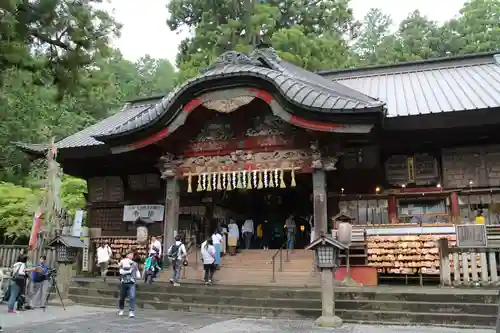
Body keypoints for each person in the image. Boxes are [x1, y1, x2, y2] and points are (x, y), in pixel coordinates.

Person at [118, 252, 139, 318]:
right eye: (130, 254)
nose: (131, 256)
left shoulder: (134, 264)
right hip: (124, 282)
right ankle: (121, 309)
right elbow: (120, 271)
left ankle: (131, 311)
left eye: (132, 254)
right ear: (127, 255)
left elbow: (136, 271)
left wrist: (135, 278)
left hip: (131, 282)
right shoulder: (122, 262)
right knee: (122, 297)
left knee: (132, 296)